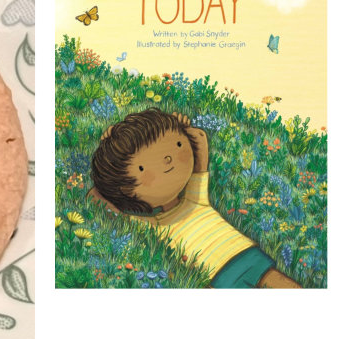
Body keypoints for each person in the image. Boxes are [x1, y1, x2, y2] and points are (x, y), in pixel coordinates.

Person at [88, 108, 300, 288]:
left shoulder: (195, 198)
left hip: (246, 255)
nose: (168, 159)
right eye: (143, 167)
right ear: (126, 189)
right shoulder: (149, 225)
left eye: (177, 145)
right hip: (215, 277)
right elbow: (95, 197)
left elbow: (199, 141)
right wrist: (111, 152)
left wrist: (181, 130)